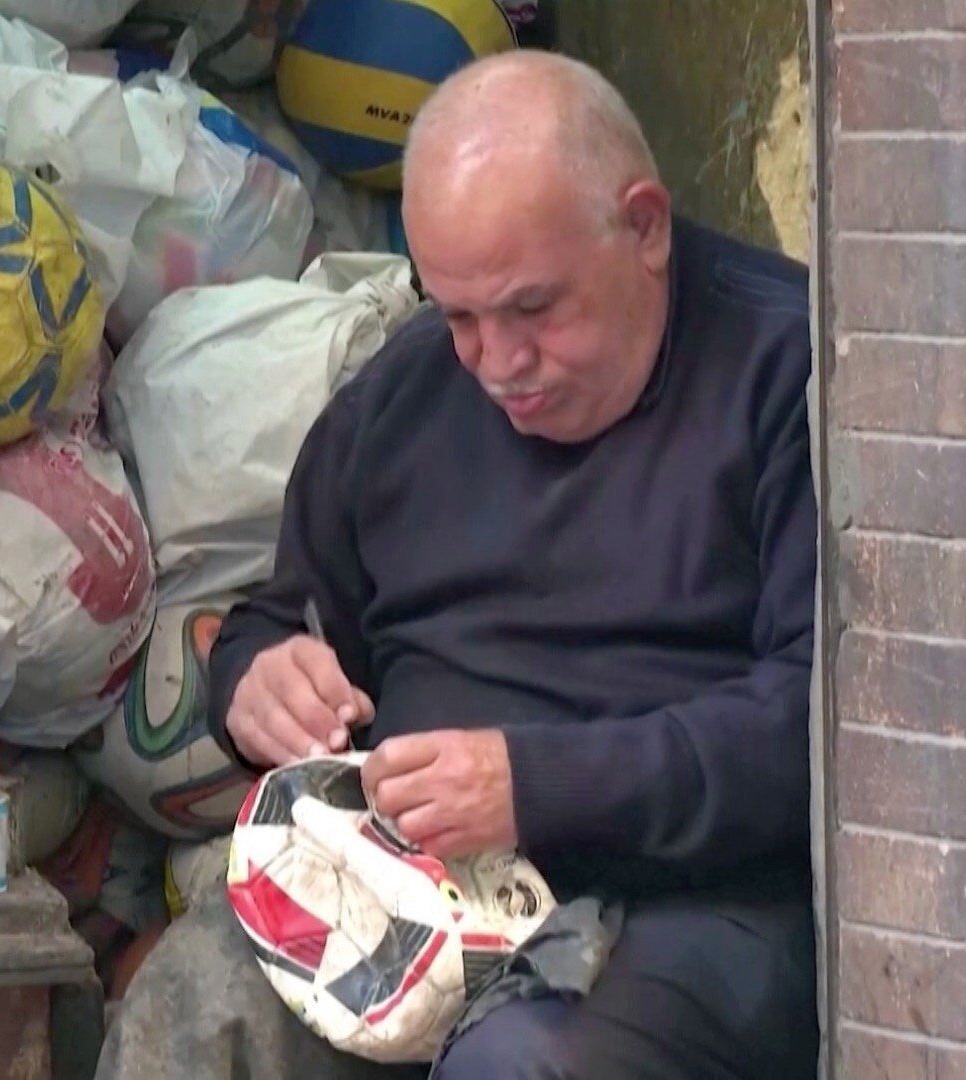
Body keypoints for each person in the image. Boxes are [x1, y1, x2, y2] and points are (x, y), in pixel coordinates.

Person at [98, 49, 817, 1079]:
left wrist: (539, 787)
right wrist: (256, 682)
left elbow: (819, 728)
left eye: (533, 310)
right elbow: (278, 618)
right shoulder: (409, 391)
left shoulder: (791, 373)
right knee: (198, 1005)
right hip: (407, 886)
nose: (495, 365)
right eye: (461, 315)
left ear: (645, 227)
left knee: (519, 1065)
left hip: (690, 904)